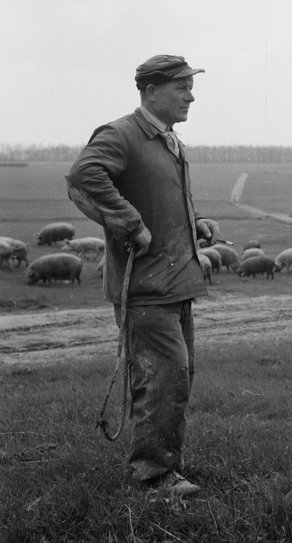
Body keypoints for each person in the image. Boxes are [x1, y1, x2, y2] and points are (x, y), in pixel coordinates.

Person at [67, 54, 218, 497]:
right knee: (162, 378)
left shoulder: (168, 139)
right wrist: (131, 225)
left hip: (176, 282)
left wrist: (197, 222)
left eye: (191, 86)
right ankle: (154, 476)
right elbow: (83, 176)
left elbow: (161, 196)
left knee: (177, 377)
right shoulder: (122, 134)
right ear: (151, 91)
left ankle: (166, 463)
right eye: (181, 87)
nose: (191, 95)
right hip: (146, 288)